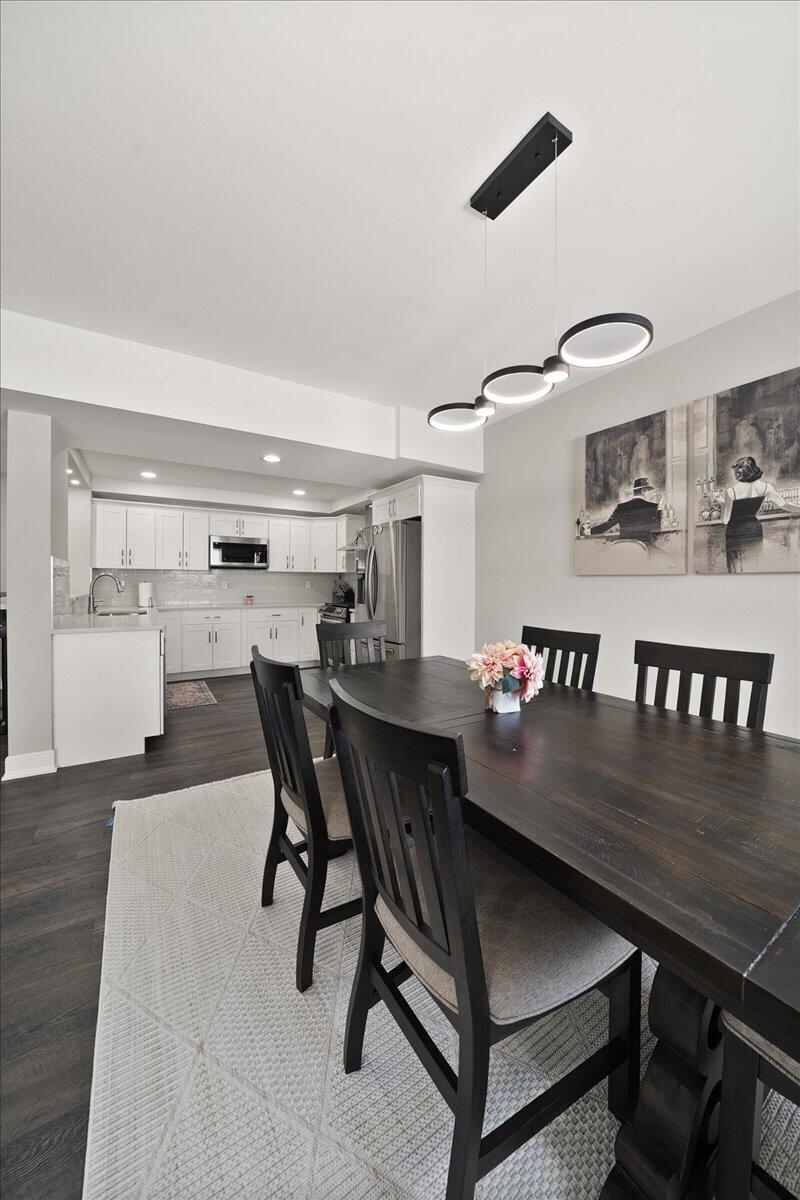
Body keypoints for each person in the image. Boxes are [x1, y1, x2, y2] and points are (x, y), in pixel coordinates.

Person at [723, 455, 800, 573]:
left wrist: (722, 502)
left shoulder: (731, 491)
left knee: (735, 570)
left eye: (735, 472)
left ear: (741, 473)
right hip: (754, 530)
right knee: (754, 566)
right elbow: (785, 505)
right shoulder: (766, 487)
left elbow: (725, 520)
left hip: (735, 532)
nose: (734, 475)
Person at [591, 477, 662, 543]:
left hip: (625, 546)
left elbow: (607, 525)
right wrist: (659, 510)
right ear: (643, 491)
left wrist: (590, 531)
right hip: (644, 546)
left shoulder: (621, 507)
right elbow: (658, 530)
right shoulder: (653, 507)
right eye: (649, 491)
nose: (652, 493)